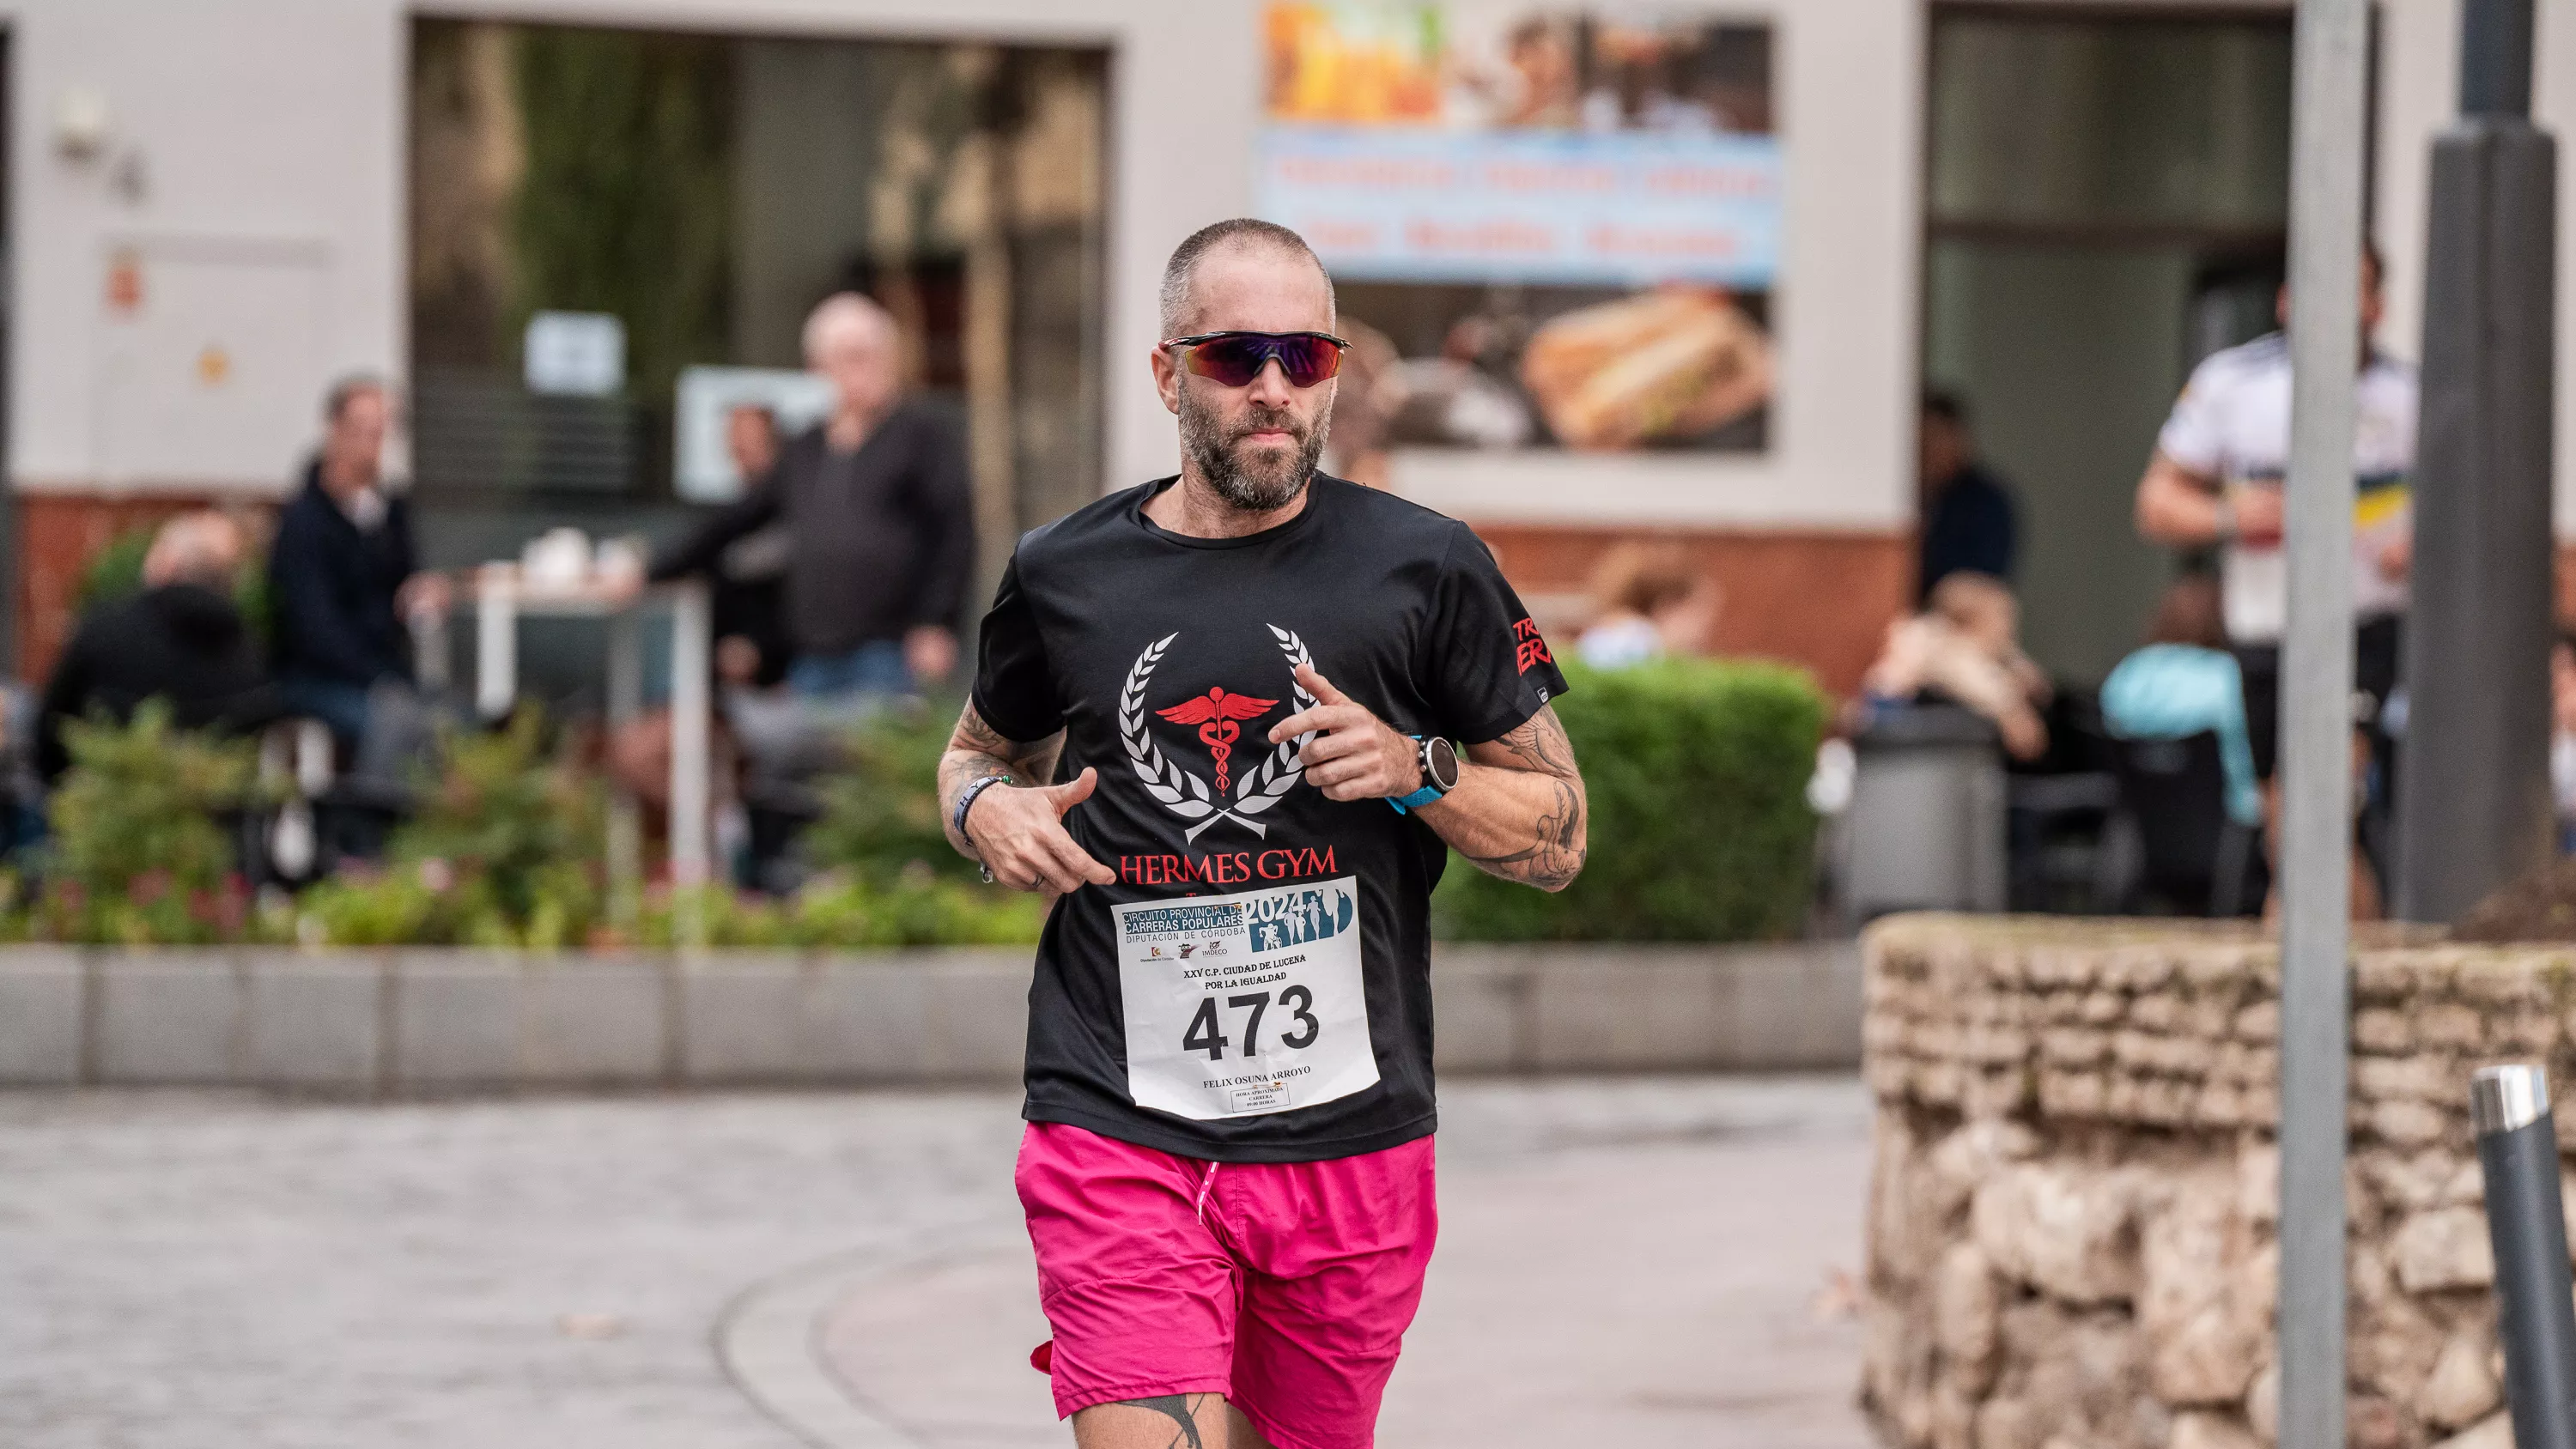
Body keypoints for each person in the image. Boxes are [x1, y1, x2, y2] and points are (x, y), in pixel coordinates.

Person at [939, 218, 1587, 1449]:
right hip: (1116, 1117)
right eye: (1239, 357)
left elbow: (1561, 834)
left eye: (1308, 355)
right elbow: (976, 753)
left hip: (1348, 1146)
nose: (1277, 389)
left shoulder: (1428, 567)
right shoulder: (1064, 572)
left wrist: (1414, 770)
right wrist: (988, 810)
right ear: (1169, 373)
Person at [2134, 244, 2411, 918]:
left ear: (2375, 305)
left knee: (2319, 801)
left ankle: (2316, 974)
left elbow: (2467, 508)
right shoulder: (2233, 385)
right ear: (2287, 299)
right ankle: (2316, 971)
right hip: (2266, 628)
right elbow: (2156, 503)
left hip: (2361, 628)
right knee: (2288, 823)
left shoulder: (2410, 397)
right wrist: (2232, 515)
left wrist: (2420, 543)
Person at [636, 294, 975, 705]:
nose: (867, 369)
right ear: (819, 367)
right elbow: (733, 522)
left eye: (874, 355)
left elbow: (954, 534)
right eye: (851, 356)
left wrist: (935, 622)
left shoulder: (921, 438)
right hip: (813, 655)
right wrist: (649, 570)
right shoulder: (804, 450)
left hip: (889, 653)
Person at [267, 377, 449, 750]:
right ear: (333, 429)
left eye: (381, 432)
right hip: (318, 678)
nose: (372, 444)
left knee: (460, 720)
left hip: (386, 673)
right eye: (361, 430)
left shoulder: (390, 511)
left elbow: (403, 584)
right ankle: (374, 808)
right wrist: (380, 678)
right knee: (399, 725)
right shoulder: (304, 521)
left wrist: (422, 592)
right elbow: (315, 628)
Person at [39, 512, 278, 780]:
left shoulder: (107, 629)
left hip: (108, 802)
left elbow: (53, 726)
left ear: (168, 564)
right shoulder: (249, 649)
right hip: (215, 809)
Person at [2099, 573, 2261, 829]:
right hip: (2222, 836)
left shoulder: (2128, 673)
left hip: (2138, 832)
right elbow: (2244, 768)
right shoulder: (2230, 677)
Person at [1859, 572, 2051, 761]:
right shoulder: (1943, 645)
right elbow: (1972, 678)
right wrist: (2012, 713)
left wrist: (2025, 673)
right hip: (1894, 725)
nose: (2008, 630)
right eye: (2002, 619)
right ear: (1970, 623)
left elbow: (2012, 660)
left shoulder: (1974, 645)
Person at [1917, 390, 2019, 604]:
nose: (1929, 450)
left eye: (1936, 437)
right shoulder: (1914, 496)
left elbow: (1982, 577)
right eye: (1923, 439)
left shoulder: (1986, 502)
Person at [1575, 540, 1720, 667]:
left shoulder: (1621, 634)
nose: (1705, 627)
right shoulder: (1636, 642)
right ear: (1668, 606)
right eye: (1699, 612)